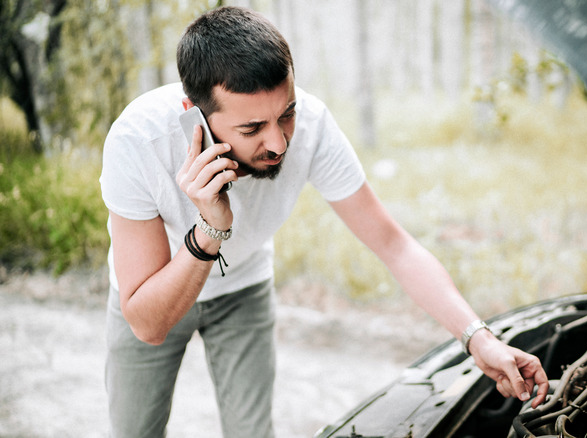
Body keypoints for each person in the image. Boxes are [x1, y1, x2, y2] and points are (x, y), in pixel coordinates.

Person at [100, 6, 548, 437]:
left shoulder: (312, 126)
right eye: (252, 128)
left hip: (243, 289)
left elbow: (394, 245)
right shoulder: (138, 142)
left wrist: (479, 339)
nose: (278, 142)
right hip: (156, 291)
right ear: (194, 113)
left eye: (286, 114)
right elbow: (147, 324)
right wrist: (210, 229)